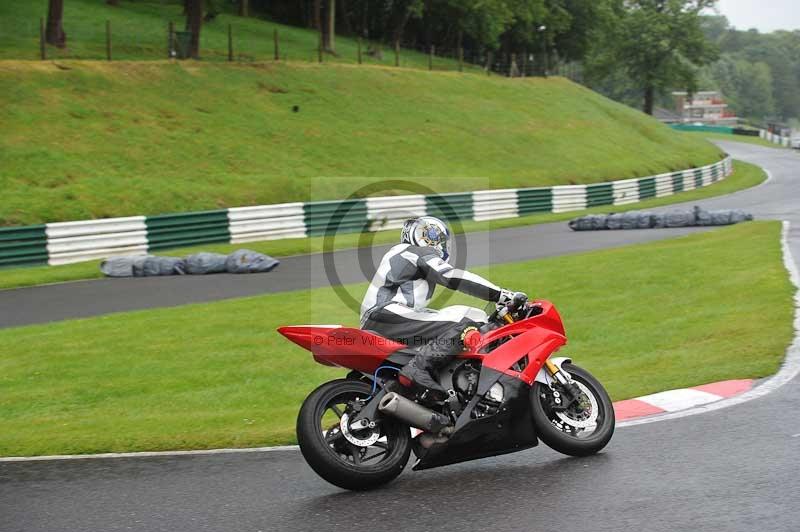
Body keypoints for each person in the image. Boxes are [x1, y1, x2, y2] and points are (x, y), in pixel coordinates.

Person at [360, 215, 518, 400]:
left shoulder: (404, 255)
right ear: (430, 236)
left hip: (387, 318)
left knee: (461, 320)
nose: (443, 245)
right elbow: (452, 276)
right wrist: (501, 294)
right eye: (441, 240)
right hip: (387, 313)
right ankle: (419, 369)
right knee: (468, 322)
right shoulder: (414, 252)